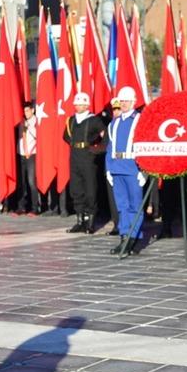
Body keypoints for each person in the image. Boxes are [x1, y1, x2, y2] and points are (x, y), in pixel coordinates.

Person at [106, 86, 145, 255]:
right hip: (117, 167)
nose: (123, 104)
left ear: (133, 101)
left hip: (133, 168)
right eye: (121, 101)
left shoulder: (140, 120)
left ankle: (133, 239)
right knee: (122, 206)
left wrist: (144, 170)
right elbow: (110, 147)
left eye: (127, 101)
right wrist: (109, 169)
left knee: (135, 206)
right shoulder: (114, 123)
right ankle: (124, 237)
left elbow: (145, 146)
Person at [62, 91, 106, 233]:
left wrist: (98, 149)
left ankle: (91, 222)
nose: (77, 106)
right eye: (76, 104)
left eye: (80, 104)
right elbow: (66, 136)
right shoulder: (71, 120)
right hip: (75, 156)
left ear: (86, 105)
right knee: (76, 189)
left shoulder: (94, 120)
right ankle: (80, 221)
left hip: (88, 156)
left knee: (90, 189)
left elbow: (105, 135)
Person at [16, 102, 41, 215]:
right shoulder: (21, 121)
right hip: (21, 153)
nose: (25, 113)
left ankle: (35, 207)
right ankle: (21, 207)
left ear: (32, 110)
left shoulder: (36, 121)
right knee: (21, 182)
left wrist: (29, 127)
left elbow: (38, 136)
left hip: (32, 154)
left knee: (31, 181)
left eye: (27, 111)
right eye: (24, 111)